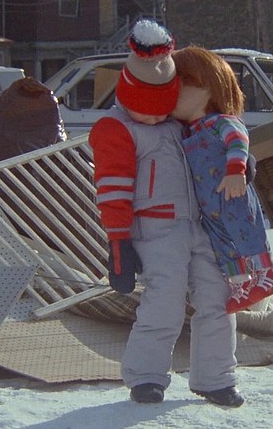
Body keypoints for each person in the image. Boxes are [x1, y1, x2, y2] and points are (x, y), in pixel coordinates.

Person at [88, 20, 244, 407]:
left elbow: (217, 143)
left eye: (162, 111)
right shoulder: (116, 128)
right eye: (147, 112)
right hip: (155, 230)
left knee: (219, 298)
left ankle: (215, 377)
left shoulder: (179, 124)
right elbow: (113, 189)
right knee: (165, 302)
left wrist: (239, 163)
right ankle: (145, 376)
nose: (156, 119)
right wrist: (118, 240)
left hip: (202, 226)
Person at [171, 46, 273, 314]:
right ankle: (240, 282)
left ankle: (266, 272)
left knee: (245, 230)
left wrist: (236, 170)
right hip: (209, 205)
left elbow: (238, 139)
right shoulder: (187, 131)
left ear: (206, 87)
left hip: (231, 191)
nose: (173, 95)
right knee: (223, 243)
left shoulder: (219, 122)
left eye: (180, 86)